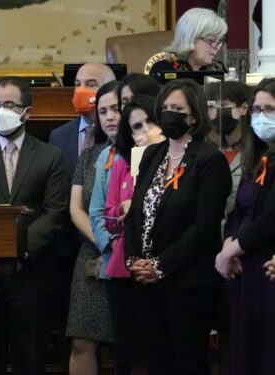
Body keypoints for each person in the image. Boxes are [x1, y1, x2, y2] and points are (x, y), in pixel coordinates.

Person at [124, 79, 231, 374]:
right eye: (166, 108)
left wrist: (160, 265)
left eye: (177, 109)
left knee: (187, 362)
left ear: (193, 115)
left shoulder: (209, 160)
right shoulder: (151, 155)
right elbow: (135, 213)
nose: (169, 113)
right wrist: (133, 260)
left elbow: (203, 227)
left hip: (187, 283)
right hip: (146, 282)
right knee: (155, 361)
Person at [0, 77, 69, 374]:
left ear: (28, 111)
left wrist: (19, 247)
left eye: (10, 105)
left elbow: (55, 212)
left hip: (32, 272)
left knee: (31, 355)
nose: (2, 111)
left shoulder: (50, 155)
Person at [215, 77, 275, 374]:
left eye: (270, 109)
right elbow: (239, 208)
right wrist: (229, 242)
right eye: (257, 109)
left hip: (268, 266)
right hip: (244, 270)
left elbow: (270, 218)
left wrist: (229, 252)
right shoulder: (257, 156)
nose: (261, 116)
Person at [103, 95, 166, 374]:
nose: (146, 130)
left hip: (164, 266)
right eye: (137, 126)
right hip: (124, 268)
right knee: (128, 354)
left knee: (159, 351)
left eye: (150, 121)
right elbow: (109, 218)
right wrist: (124, 207)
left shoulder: (179, 162)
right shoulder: (122, 165)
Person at [66, 81, 118, 375]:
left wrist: (120, 249)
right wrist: (106, 244)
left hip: (133, 256)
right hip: (92, 254)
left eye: (115, 109)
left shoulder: (146, 152)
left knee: (129, 343)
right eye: (102, 111)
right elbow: (76, 208)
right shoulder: (89, 155)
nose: (109, 117)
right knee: (81, 343)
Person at [206, 81, 252, 220]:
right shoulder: (208, 150)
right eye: (212, 106)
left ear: (243, 108)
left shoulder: (256, 153)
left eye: (223, 105)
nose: (216, 111)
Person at [148, 8, 227, 82]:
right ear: (191, 38)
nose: (217, 48)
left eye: (219, 42)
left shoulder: (218, 69)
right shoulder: (164, 68)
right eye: (211, 40)